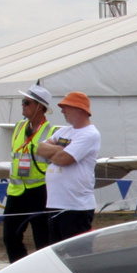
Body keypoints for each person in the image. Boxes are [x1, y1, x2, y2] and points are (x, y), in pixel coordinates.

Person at [3, 86, 57, 263]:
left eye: (27, 103)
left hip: (40, 191)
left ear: (40, 107)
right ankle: (19, 269)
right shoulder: (19, 127)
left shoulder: (52, 132)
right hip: (16, 191)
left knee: (43, 240)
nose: (23, 106)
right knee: (10, 237)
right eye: (22, 102)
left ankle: (44, 272)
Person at [38, 92, 101, 245]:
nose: (62, 111)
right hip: (55, 204)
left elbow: (64, 159)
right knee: (57, 253)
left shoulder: (90, 134)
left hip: (75, 206)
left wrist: (55, 152)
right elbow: (40, 149)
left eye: (66, 107)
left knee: (77, 254)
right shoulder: (64, 131)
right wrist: (60, 150)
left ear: (79, 109)